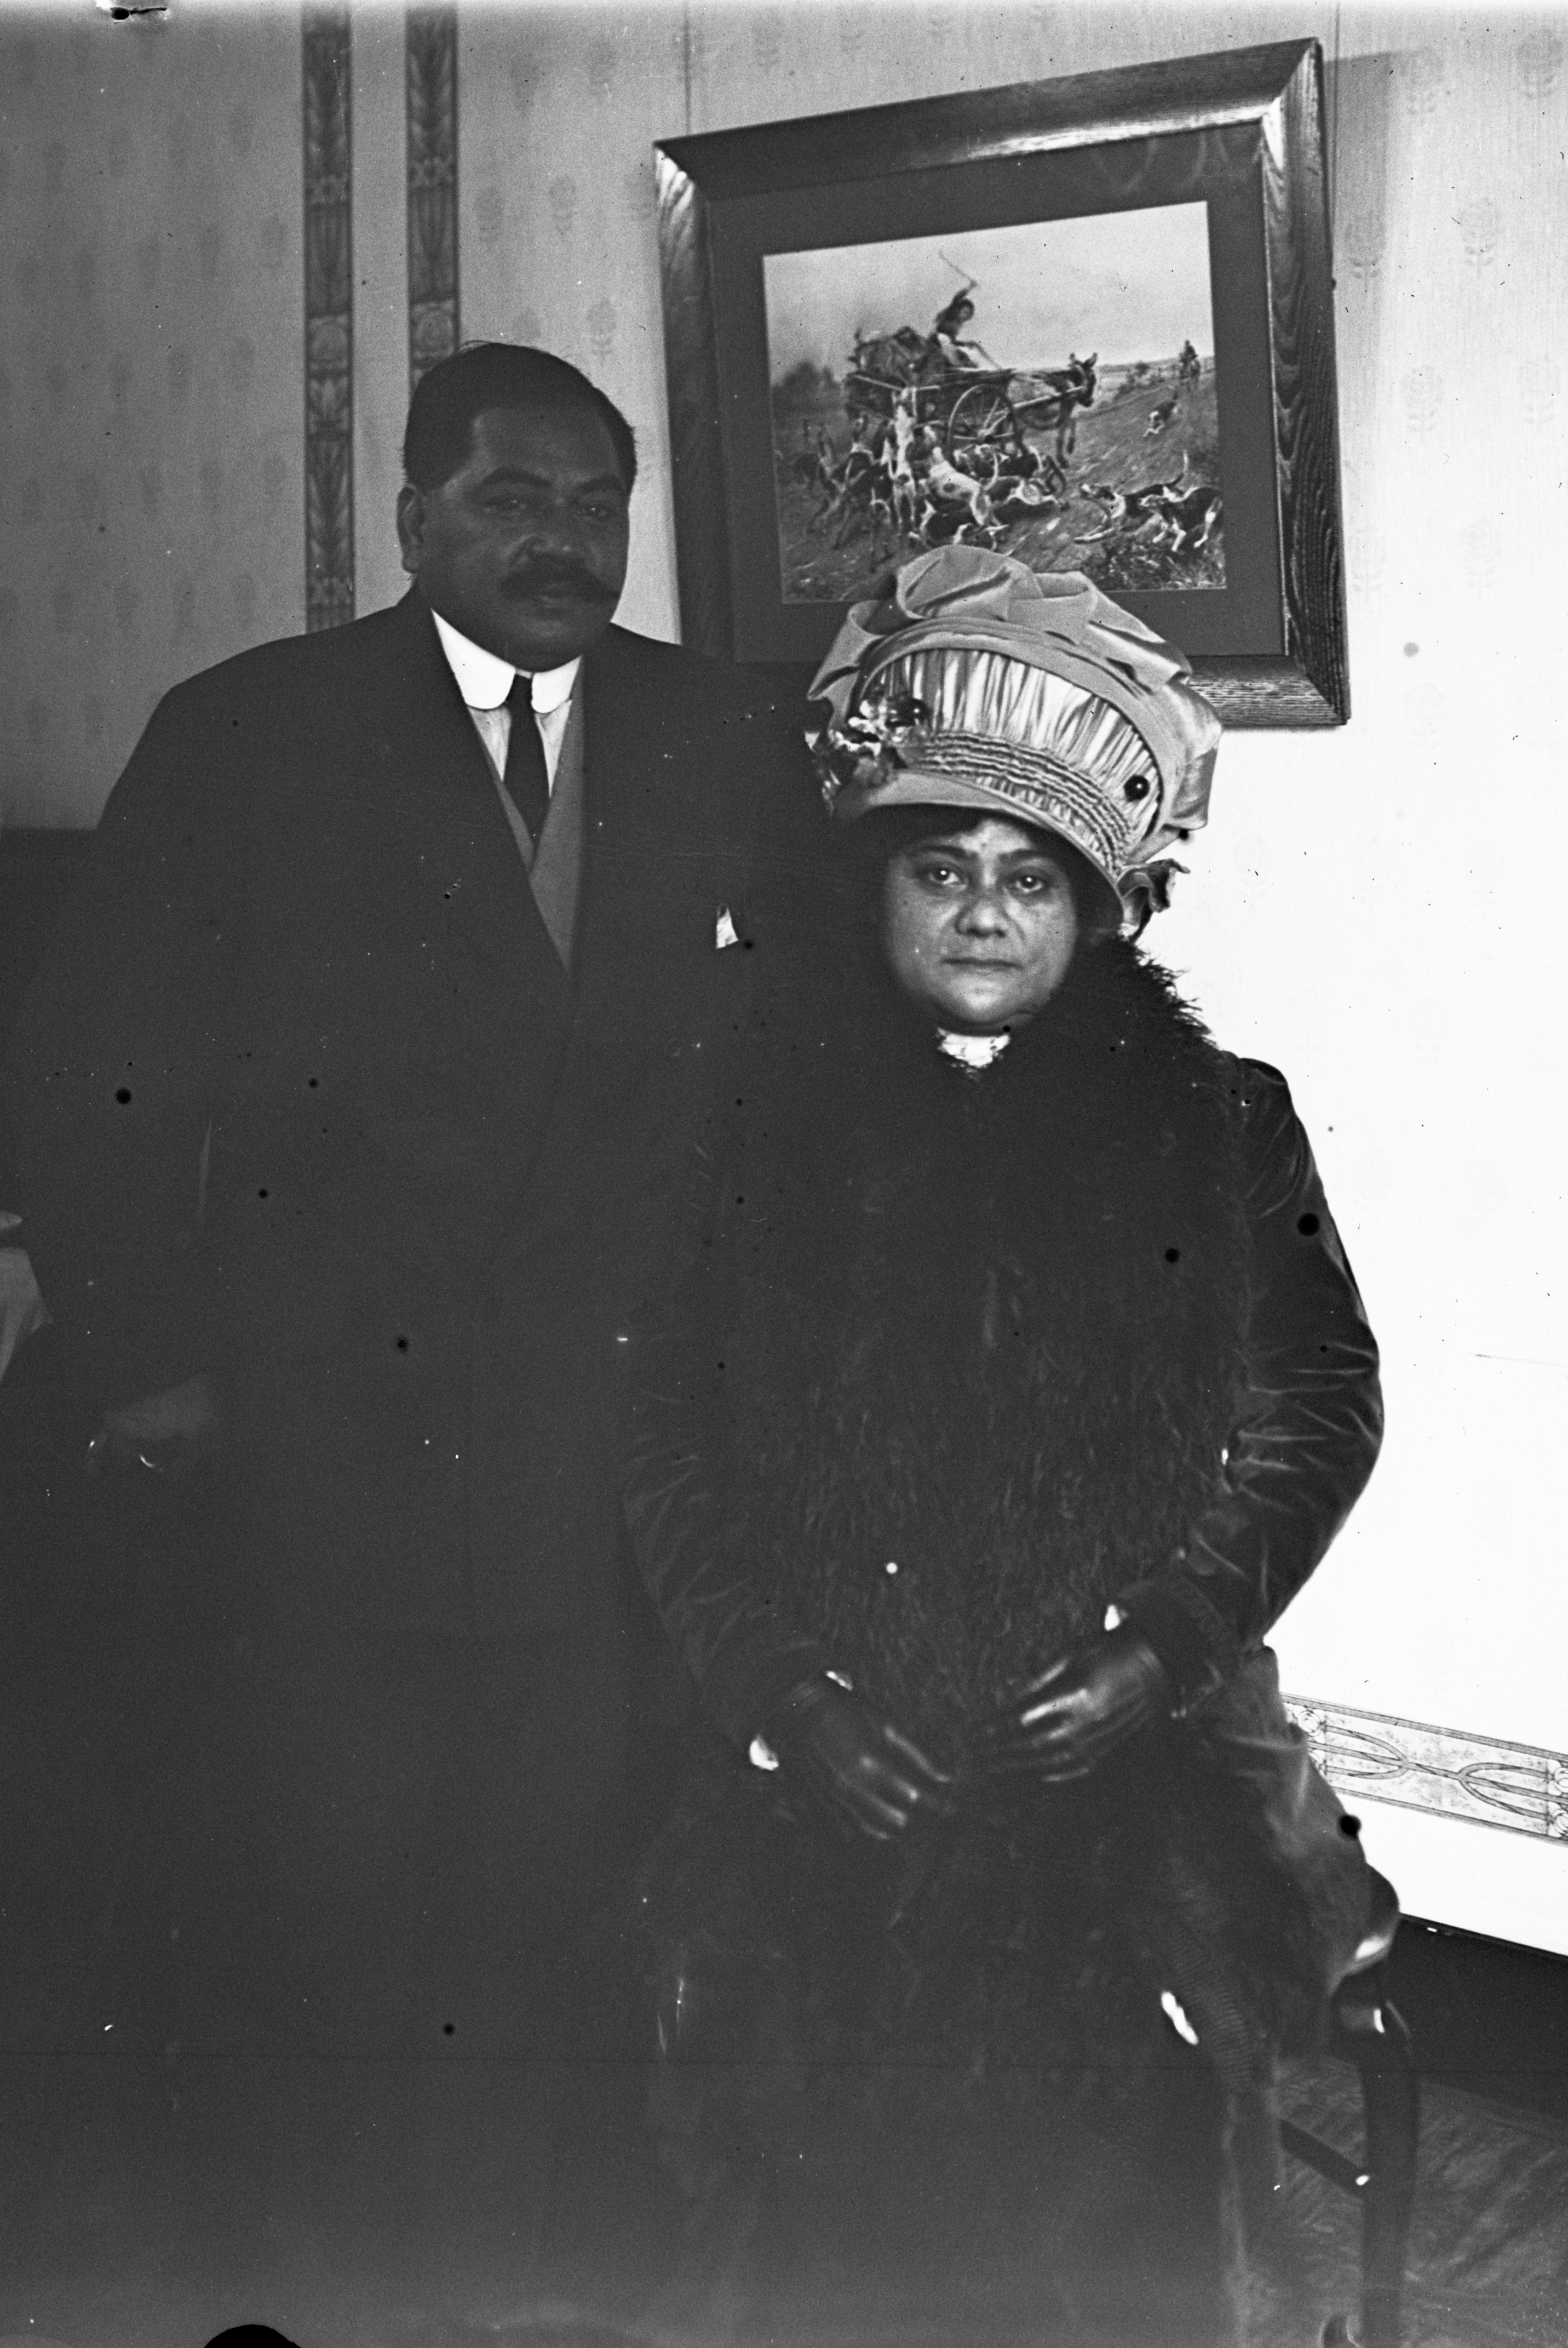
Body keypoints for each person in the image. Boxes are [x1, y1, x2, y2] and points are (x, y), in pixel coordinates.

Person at [8, 342, 816, 2316]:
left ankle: (555, 2279)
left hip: (613, 1454)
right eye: (513, 498)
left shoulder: (719, 733)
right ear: (412, 515)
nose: (563, 541)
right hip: (332, 1442)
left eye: (596, 504)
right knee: (346, 1898)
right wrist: (150, 1362)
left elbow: (803, 1075)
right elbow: (93, 1080)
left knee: (579, 1887)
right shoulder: (252, 734)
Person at [624, 547, 1388, 2341]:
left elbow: (1320, 1408)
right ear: (870, 888)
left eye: (1033, 880)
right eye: (942, 870)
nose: (984, 914)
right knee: (799, 2209)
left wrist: (1161, 1649)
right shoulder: (747, 1119)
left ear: (1104, 909)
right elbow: (663, 1425)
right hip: (827, 1745)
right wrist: (775, 1691)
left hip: (1123, 1759)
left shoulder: (1219, 1123)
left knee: (1104, 2217)